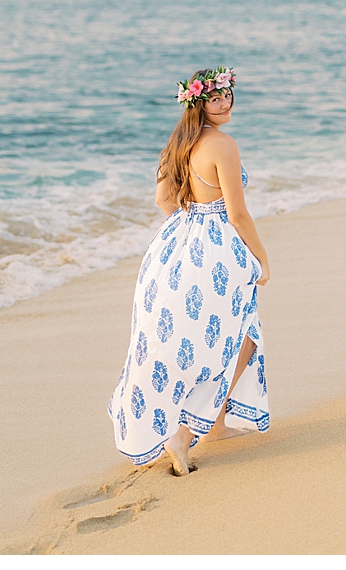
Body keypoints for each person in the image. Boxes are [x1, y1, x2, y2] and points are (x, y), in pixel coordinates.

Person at [110, 67, 271, 476]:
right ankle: (184, 433)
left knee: (200, 338)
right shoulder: (223, 145)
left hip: (176, 244)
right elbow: (237, 213)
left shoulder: (179, 143)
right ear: (197, 101)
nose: (226, 103)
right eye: (216, 98)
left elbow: (164, 198)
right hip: (217, 246)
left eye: (228, 95)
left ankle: (212, 425)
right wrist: (262, 258)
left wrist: (191, 222)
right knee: (241, 334)